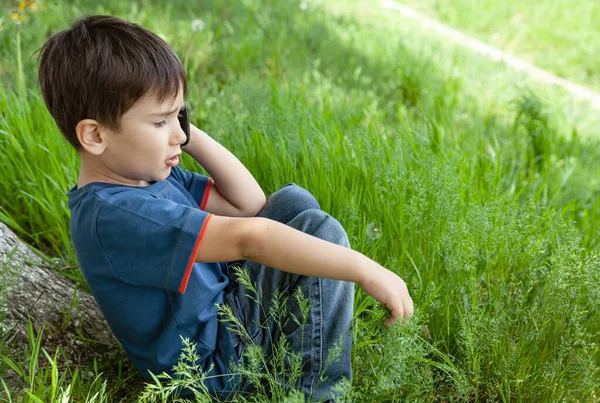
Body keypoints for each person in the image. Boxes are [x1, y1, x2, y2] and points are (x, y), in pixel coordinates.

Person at [36, 14, 414, 402]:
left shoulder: (146, 177)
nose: (178, 134)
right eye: (160, 122)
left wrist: (187, 133)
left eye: (179, 116)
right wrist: (365, 269)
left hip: (224, 317)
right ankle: (313, 395)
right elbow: (249, 236)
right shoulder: (115, 216)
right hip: (210, 369)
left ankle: (300, 353)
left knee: (293, 204)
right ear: (96, 135)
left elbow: (250, 205)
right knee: (319, 232)